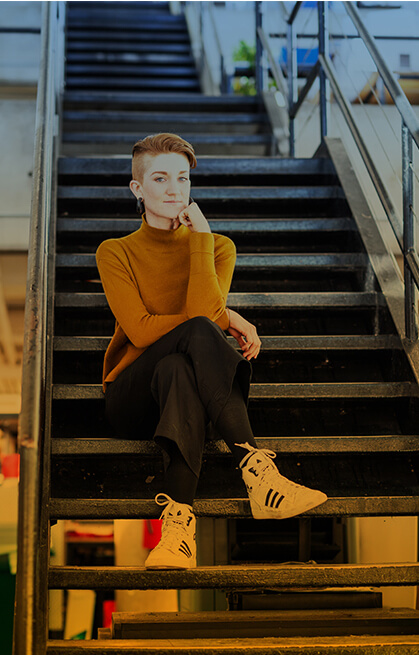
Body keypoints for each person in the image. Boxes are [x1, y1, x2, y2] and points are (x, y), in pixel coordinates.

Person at [96, 133, 327, 570]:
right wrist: (228, 317)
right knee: (194, 336)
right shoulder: (115, 252)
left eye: (181, 179)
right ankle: (257, 470)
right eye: (160, 178)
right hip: (130, 396)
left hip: (179, 388)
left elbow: (203, 313)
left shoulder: (216, 246)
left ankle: (178, 530)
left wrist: (201, 238)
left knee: (180, 369)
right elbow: (143, 331)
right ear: (137, 188)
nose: (173, 190)